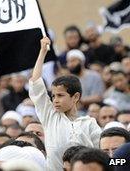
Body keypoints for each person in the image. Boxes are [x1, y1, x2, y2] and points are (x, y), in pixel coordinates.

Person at [29, 37, 101, 170]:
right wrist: (43, 52)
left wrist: (122, 162)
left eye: (60, 95)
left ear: (75, 97)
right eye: (53, 96)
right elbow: (35, 83)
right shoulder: (50, 116)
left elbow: (103, 157)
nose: (55, 99)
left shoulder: (89, 123)